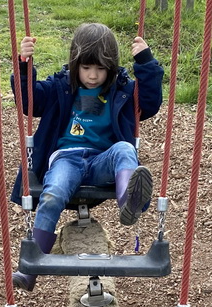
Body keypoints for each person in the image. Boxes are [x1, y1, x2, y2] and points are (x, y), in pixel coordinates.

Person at [10, 22, 164, 291]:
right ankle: (29, 268)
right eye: (86, 68)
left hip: (102, 160)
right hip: (66, 159)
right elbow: (27, 100)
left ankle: (130, 202)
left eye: (101, 69)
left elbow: (150, 103)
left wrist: (145, 61)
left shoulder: (122, 91)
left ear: (111, 68)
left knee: (126, 150)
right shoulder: (58, 88)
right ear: (75, 64)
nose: (93, 76)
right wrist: (23, 65)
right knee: (52, 193)